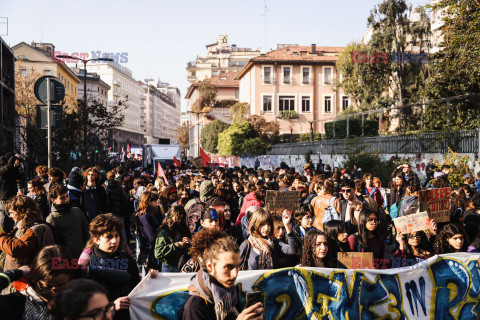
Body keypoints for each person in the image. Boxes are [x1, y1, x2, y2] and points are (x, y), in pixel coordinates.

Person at [179, 228, 263, 320]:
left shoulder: (230, 294)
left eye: (237, 266)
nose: (235, 274)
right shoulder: (195, 307)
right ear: (210, 267)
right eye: (228, 267)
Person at [78, 214, 139, 320]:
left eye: (117, 235)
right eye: (109, 237)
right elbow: (84, 303)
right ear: (96, 239)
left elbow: (137, 288)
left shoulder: (127, 258)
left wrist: (150, 279)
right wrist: (112, 306)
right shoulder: (88, 264)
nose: (115, 241)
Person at [0, 195, 54, 271]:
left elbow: (14, 249)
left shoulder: (35, 229)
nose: (10, 216)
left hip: (29, 278)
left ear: (21, 212)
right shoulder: (21, 227)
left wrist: (1, 236)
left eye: (12, 212)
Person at [47, 183, 89, 258]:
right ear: (54, 200)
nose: (66, 200)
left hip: (83, 255)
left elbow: (86, 231)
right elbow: (54, 245)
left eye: (67, 196)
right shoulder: (52, 219)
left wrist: (88, 249)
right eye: (62, 198)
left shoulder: (77, 211)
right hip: (66, 259)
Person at [154, 205, 191, 272]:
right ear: (171, 216)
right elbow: (158, 252)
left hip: (182, 264)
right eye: (177, 218)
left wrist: (187, 241)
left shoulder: (183, 227)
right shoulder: (164, 231)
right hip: (169, 267)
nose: (179, 221)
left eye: (181, 219)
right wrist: (177, 245)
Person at [134, 191, 162, 271]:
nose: (156, 203)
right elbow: (151, 237)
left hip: (151, 250)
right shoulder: (144, 217)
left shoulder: (150, 214)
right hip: (149, 252)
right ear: (148, 202)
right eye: (154, 201)